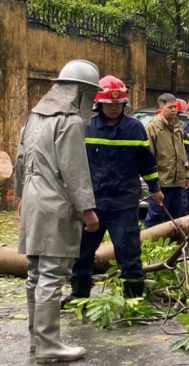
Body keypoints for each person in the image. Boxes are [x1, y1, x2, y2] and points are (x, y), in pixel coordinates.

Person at [14, 59, 102, 363]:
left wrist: (22, 197)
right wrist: (88, 209)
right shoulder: (70, 121)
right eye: (90, 94)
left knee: (35, 274)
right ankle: (50, 344)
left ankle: (37, 342)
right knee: (52, 274)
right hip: (56, 205)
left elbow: (21, 159)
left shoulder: (34, 117)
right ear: (80, 92)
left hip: (34, 202)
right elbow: (75, 170)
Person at [61, 76, 164, 308]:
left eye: (118, 103)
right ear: (99, 104)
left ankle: (133, 299)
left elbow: (146, 163)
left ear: (124, 103)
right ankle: (79, 295)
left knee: (128, 253)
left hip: (123, 203)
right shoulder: (86, 126)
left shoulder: (135, 128)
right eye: (109, 103)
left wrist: (156, 189)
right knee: (81, 251)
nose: (114, 106)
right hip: (92, 203)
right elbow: (74, 163)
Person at [143, 93, 189, 228]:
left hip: (177, 182)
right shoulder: (152, 128)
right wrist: (152, 183)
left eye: (175, 107)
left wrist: (187, 174)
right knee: (156, 217)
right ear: (161, 107)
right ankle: (148, 245)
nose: (174, 110)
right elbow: (148, 157)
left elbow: (183, 153)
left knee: (177, 217)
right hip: (162, 182)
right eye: (170, 107)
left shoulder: (178, 127)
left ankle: (174, 246)